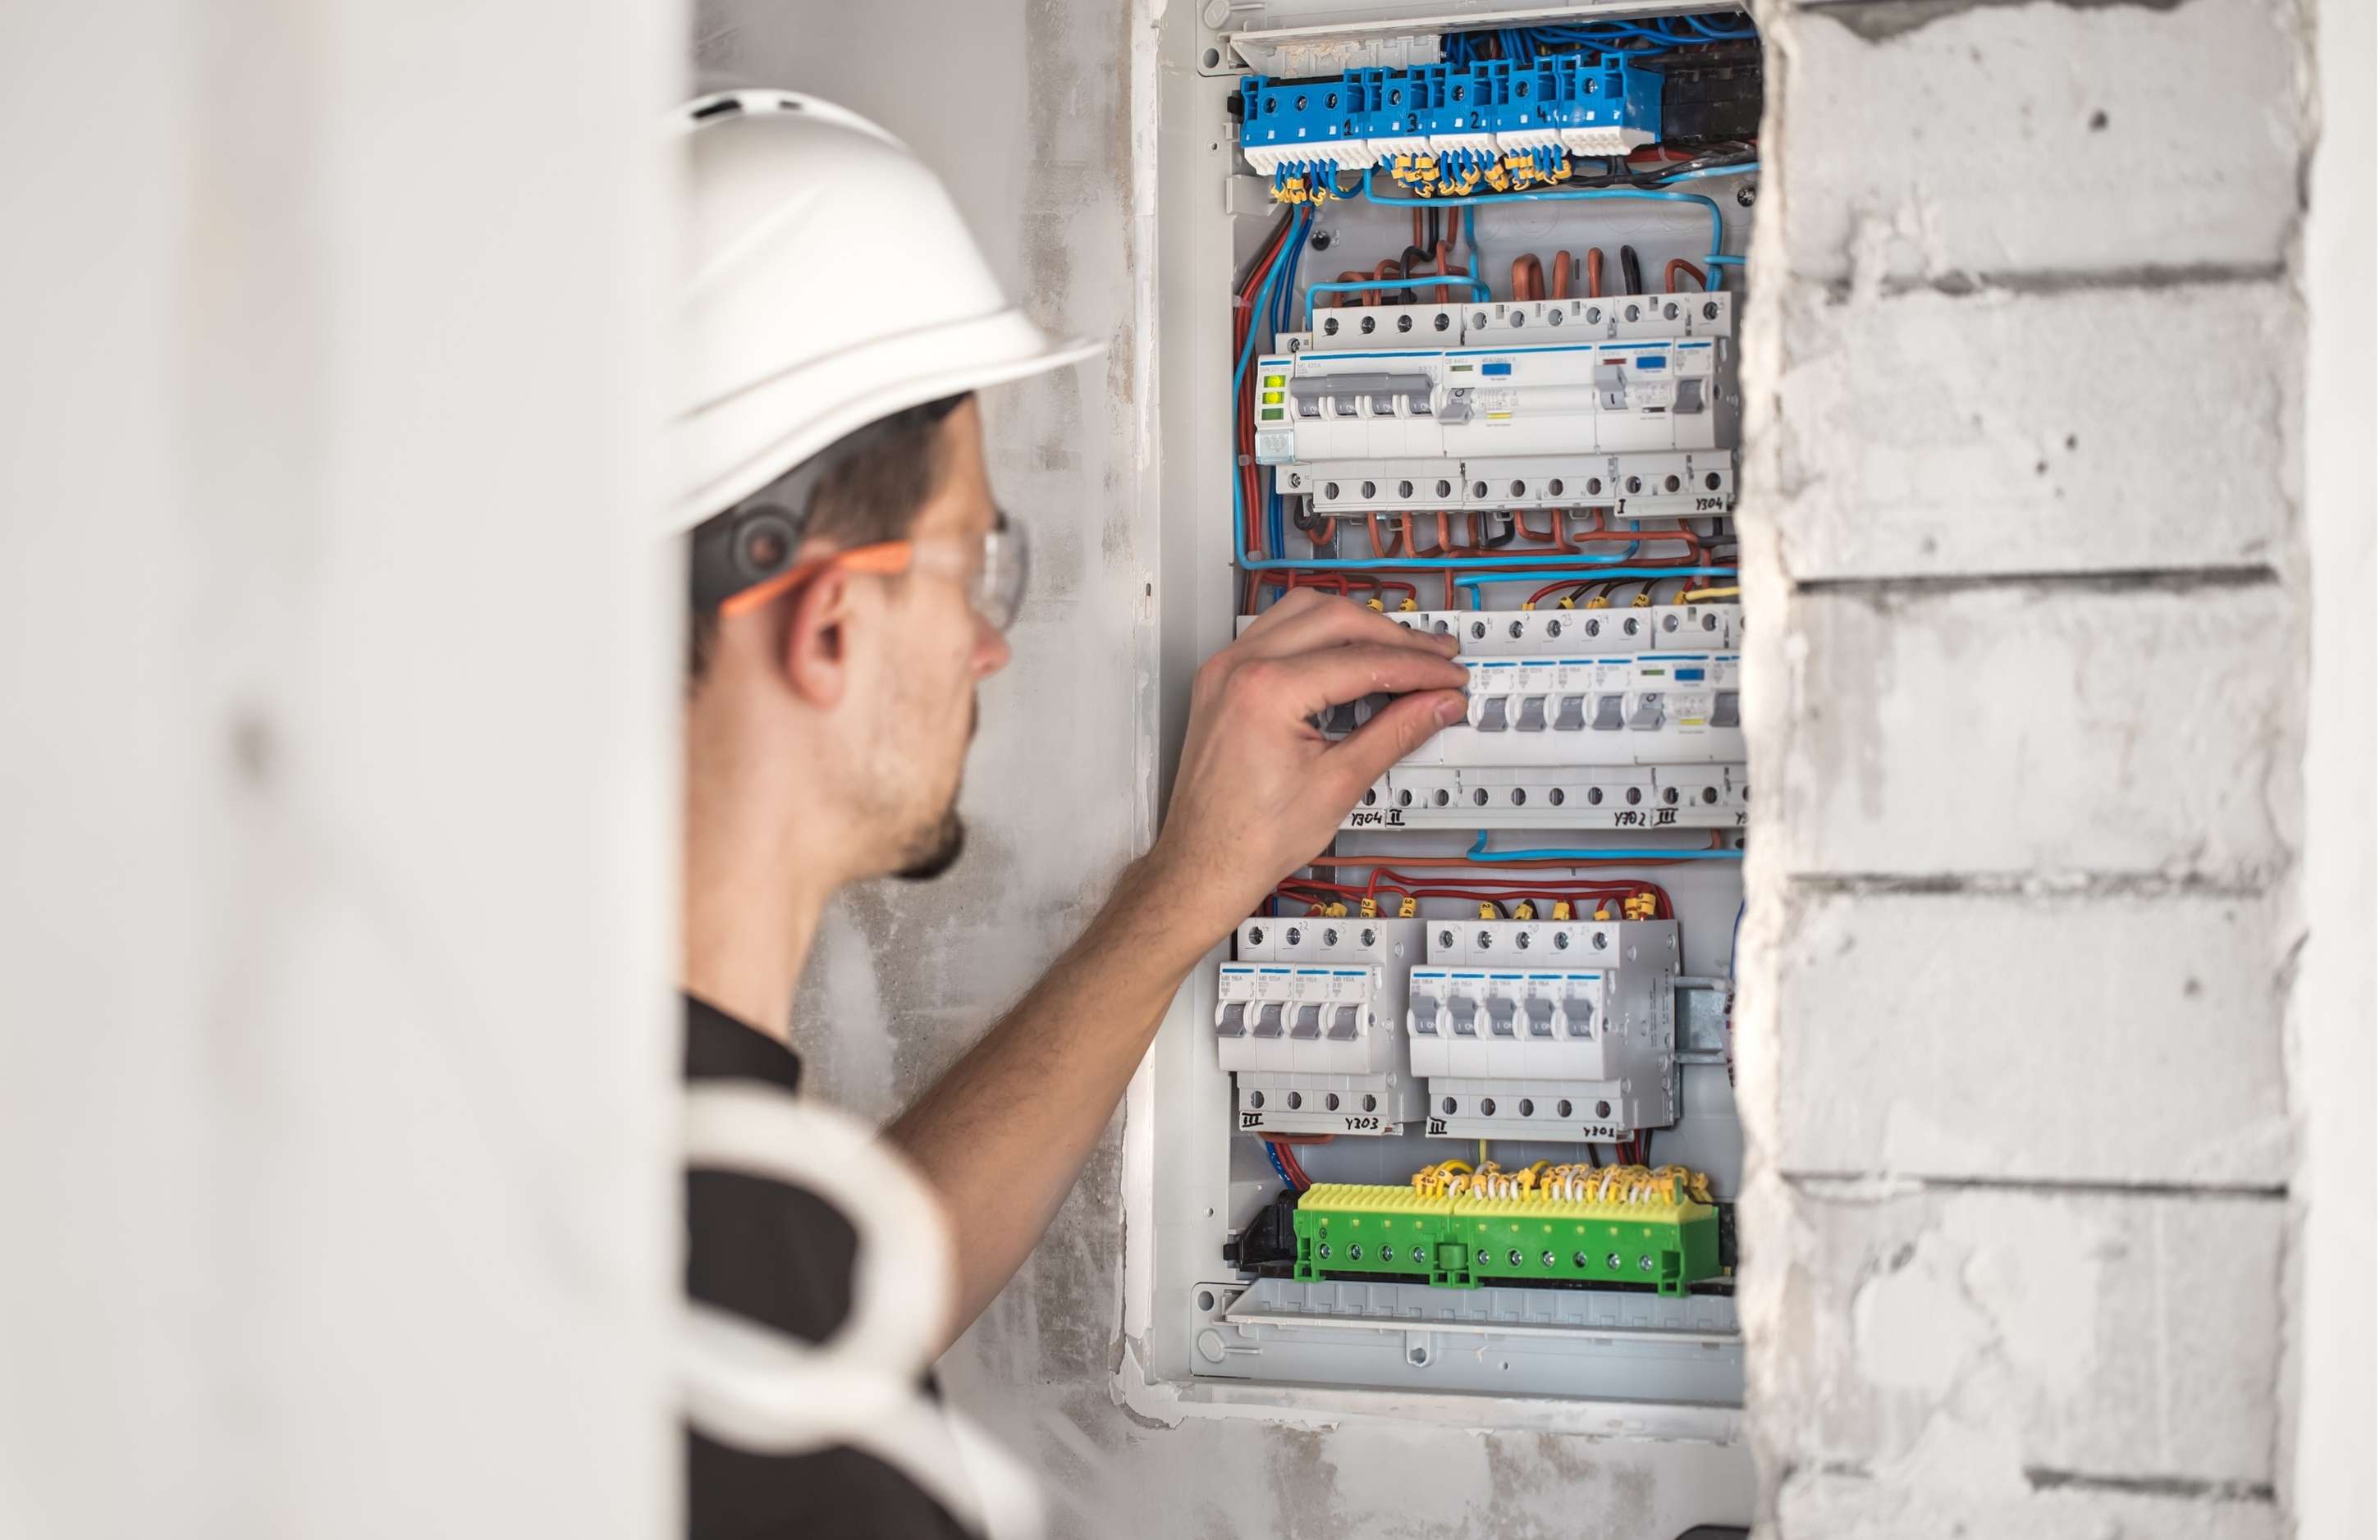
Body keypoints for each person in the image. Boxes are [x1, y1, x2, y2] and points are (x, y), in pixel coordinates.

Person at [668, 91, 1469, 1537]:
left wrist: (1182, 893)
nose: (990, 645)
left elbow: (834, 1292)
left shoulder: (592, 1158)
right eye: (978, 564)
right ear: (829, 622)